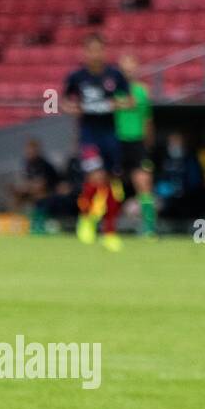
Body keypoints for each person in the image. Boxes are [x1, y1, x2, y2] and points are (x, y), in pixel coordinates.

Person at [61, 34, 132, 251]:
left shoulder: (115, 75)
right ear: (85, 52)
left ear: (103, 51)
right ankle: (86, 218)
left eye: (98, 50)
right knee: (96, 176)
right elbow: (63, 101)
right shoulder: (76, 77)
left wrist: (115, 104)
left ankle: (110, 231)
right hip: (88, 135)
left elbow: (129, 101)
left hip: (110, 134)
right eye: (90, 50)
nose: (95, 54)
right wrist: (72, 108)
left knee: (110, 183)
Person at [115, 54, 157, 237]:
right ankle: (106, 221)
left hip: (137, 142)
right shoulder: (114, 91)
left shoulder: (142, 91)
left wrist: (148, 143)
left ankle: (148, 226)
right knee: (109, 183)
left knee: (144, 182)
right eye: (125, 66)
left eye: (132, 66)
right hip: (117, 141)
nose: (129, 70)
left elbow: (148, 119)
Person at [11, 138, 60, 233]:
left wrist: (26, 187)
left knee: (39, 195)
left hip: (50, 191)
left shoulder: (44, 164)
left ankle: (40, 223)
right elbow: (25, 180)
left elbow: (41, 185)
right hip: (32, 191)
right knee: (16, 196)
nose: (29, 152)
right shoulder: (26, 164)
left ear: (37, 150)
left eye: (32, 149)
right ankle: (16, 223)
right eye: (27, 149)